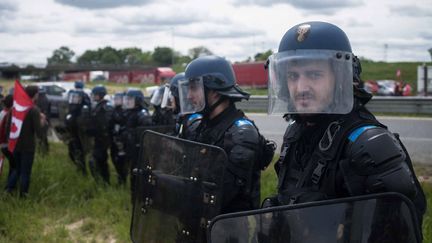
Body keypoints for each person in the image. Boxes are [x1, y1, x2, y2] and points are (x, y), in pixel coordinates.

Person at [266, 21, 426, 231]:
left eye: (314, 74)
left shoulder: (368, 145)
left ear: (340, 78)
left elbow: (397, 230)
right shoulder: (296, 132)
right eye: (293, 76)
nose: (301, 87)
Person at [178, 55, 275, 213]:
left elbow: (220, 193)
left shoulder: (242, 134)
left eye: (194, 87)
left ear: (215, 91)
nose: (189, 95)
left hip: (227, 231)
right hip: (196, 223)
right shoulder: (200, 126)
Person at [5, 85, 45, 197]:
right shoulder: (33, 110)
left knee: (17, 169)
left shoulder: (15, 107)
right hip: (28, 146)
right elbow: (39, 131)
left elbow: (8, 127)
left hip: (15, 144)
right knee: (25, 172)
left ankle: (8, 190)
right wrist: (42, 121)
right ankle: (23, 195)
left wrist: (10, 140)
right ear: (35, 95)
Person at [122, 89, 152, 200]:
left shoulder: (142, 115)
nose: (127, 102)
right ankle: (134, 200)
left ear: (138, 101)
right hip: (132, 151)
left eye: (130, 99)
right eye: (127, 99)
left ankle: (139, 201)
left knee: (138, 178)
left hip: (140, 153)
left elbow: (145, 136)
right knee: (132, 176)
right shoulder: (130, 112)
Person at [87, 85, 113, 184]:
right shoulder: (98, 106)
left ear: (99, 95)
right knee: (101, 162)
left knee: (95, 162)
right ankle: (104, 182)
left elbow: (104, 125)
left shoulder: (105, 107)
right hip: (98, 140)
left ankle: (101, 182)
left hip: (102, 140)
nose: (93, 96)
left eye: (94, 94)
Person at [65, 81, 91, 175]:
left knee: (79, 149)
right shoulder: (73, 95)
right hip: (73, 129)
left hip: (79, 129)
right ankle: (79, 167)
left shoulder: (84, 98)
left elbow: (86, 111)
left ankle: (82, 170)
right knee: (73, 149)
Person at [109, 91, 127, 185]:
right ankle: (119, 176)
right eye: (115, 99)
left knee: (121, 161)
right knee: (114, 157)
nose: (116, 101)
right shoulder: (113, 110)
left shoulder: (126, 111)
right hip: (114, 139)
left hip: (122, 141)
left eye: (118, 99)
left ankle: (122, 180)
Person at [0, 95, 15, 178]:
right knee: (14, 166)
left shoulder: (2, 113)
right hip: (7, 144)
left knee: (12, 164)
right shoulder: (9, 115)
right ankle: (10, 186)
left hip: (2, 144)